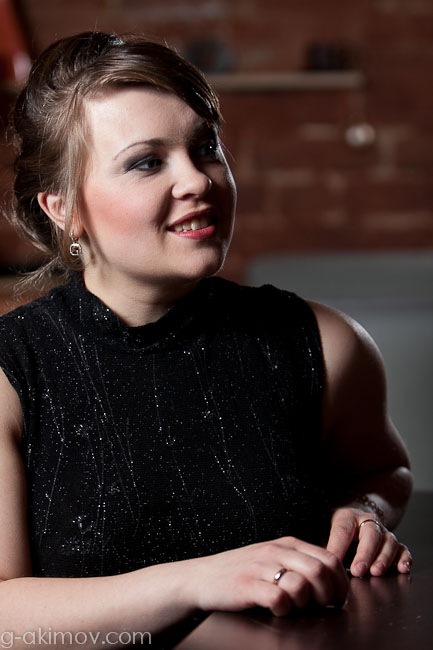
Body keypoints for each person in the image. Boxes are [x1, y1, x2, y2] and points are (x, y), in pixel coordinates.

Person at [0, 31, 412, 646]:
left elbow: (384, 470)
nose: (197, 179)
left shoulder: (326, 342)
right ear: (64, 209)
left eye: (206, 147)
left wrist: (364, 513)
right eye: (146, 162)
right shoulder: (11, 371)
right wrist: (196, 581)